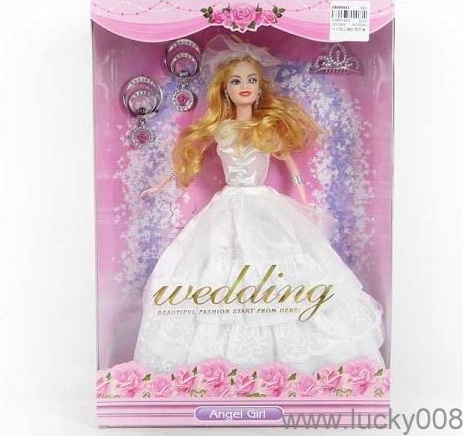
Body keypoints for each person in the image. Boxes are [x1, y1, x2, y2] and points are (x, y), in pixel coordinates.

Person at [133, 34, 384, 374]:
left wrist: (305, 202)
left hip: (264, 206)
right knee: (220, 268)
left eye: (251, 80)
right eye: (236, 81)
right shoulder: (221, 129)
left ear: (260, 87)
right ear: (225, 89)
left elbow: (293, 169)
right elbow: (191, 156)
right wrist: (161, 183)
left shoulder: (266, 128)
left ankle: (297, 364)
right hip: (227, 207)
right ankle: (222, 366)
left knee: (282, 268)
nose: (245, 86)